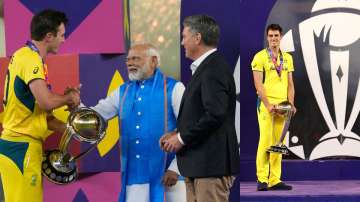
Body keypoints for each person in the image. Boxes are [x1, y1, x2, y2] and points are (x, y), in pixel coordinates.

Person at [89, 43, 186, 202]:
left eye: (136, 59)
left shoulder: (174, 88)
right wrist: (76, 105)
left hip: (170, 177)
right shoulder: (123, 91)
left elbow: (189, 129)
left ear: (154, 61)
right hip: (134, 180)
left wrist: (176, 168)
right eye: (128, 60)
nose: (129, 63)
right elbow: (97, 114)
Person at [0, 9, 80, 202]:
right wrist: (68, 98)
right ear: (49, 36)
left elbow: (43, 115)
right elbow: (46, 101)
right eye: (61, 35)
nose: (64, 39)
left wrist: (73, 130)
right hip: (20, 147)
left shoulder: (31, 59)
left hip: (26, 146)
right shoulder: (30, 59)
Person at [160, 15, 240, 202]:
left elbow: (215, 114)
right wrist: (176, 133)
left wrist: (181, 138)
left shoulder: (214, 68)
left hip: (210, 167)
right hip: (200, 166)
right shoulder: (207, 67)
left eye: (184, 36)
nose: (182, 42)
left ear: (197, 38)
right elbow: (203, 114)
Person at [251, 24, 296, 191]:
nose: (273, 39)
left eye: (276, 36)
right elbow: (258, 84)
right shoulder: (260, 57)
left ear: (281, 36)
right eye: (270, 36)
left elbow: (290, 84)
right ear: (267, 37)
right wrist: (268, 104)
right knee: (265, 142)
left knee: (278, 143)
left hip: (283, 106)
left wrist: (290, 103)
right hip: (266, 106)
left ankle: (275, 179)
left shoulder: (288, 58)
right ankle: (262, 179)